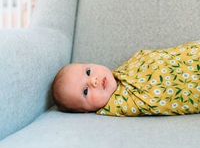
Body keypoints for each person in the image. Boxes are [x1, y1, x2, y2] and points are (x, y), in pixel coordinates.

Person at [52, 40, 200, 116]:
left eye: (88, 71)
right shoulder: (117, 105)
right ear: (85, 111)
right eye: (85, 91)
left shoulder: (124, 71)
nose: (93, 81)